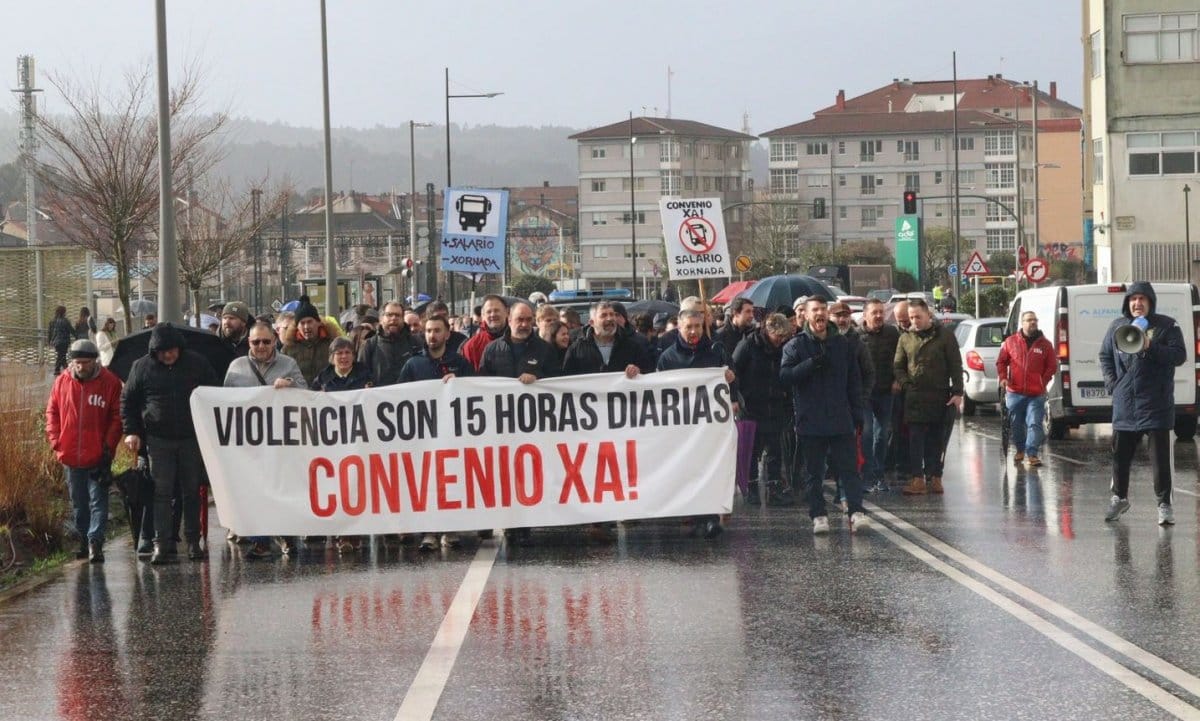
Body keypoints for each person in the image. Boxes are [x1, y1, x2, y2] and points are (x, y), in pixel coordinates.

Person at [120, 323, 218, 564]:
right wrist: (131, 431)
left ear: (179, 348)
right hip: (157, 439)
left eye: (172, 350)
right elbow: (128, 401)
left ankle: (193, 541)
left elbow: (214, 391)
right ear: (155, 351)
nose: (168, 355)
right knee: (160, 492)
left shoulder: (196, 363)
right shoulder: (141, 367)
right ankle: (161, 544)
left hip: (191, 437)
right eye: (163, 351)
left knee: (191, 491)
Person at [1099, 281, 1186, 525]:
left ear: (1150, 302)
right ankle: (1119, 498)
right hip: (1125, 404)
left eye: (1142, 299)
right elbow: (1105, 355)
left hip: (1156, 404)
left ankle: (1164, 505)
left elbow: (1179, 355)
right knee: (1119, 457)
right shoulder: (1117, 326)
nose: (1137, 303)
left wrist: (1150, 346)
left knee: (1159, 461)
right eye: (1133, 299)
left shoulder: (1167, 326)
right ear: (1128, 303)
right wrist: (1112, 385)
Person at [780, 297, 868, 534]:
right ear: (806, 315)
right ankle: (818, 515)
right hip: (811, 420)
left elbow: (854, 381)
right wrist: (810, 364)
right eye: (815, 310)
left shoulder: (842, 344)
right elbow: (786, 377)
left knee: (849, 469)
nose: (820, 314)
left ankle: (856, 512)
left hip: (841, 418)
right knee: (814, 473)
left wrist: (857, 412)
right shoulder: (795, 346)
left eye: (823, 310)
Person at [223, 321, 308, 558]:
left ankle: (286, 535)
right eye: (255, 342)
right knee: (254, 488)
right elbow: (224, 404)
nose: (261, 346)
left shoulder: (288, 364)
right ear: (248, 342)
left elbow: (307, 394)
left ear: (275, 341)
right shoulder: (237, 367)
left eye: (266, 341)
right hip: (249, 443)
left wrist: (290, 385)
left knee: (281, 487)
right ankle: (260, 539)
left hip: (280, 441)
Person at [657, 308, 735, 539]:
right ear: (679, 328)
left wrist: (730, 379)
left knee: (710, 468)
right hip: (681, 425)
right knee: (689, 470)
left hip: (710, 424)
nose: (693, 331)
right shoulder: (668, 358)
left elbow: (730, 376)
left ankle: (711, 518)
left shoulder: (715, 350)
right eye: (688, 327)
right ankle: (695, 514)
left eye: (698, 327)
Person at [399, 316, 475, 550]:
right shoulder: (413, 364)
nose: (432, 335)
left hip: (452, 433)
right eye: (428, 331)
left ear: (447, 334)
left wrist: (460, 382)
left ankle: (450, 529)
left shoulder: (460, 363)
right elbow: (398, 396)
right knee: (427, 482)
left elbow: (476, 390)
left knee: (450, 480)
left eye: (437, 331)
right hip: (423, 435)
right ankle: (429, 531)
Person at [46, 340, 123, 562]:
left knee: (98, 500)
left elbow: (116, 417)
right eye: (77, 362)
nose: (80, 367)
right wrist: (56, 442)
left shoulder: (109, 383)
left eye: (85, 362)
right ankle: (83, 538)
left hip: (98, 454)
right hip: (70, 454)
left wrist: (108, 447)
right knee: (79, 502)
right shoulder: (62, 382)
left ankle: (95, 541)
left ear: (94, 361)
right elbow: (52, 413)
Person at [892, 299, 963, 496]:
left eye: (918, 317)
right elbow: (898, 365)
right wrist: (906, 384)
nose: (914, 321)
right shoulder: (905, 339)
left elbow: (955, 365)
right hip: (914, 397)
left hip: (940, 396)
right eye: (911, 317)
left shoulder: (945, 337)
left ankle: (935, 477)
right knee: (915, 440)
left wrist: (958, 392)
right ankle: (917, 479)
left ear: (928, 315)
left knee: (937, 439)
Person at [310, 337, 373, 554]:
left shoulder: (366, 375)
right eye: (339, 353)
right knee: (336, 486)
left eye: (347, 352)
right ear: (332, 357)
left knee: (356, 485)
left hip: (359, 440)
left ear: (354, 356)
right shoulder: (322, 379)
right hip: (332, 442)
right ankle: (340, 531)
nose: (344, 357)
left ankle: (353, 534)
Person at [731, 313, 793, 506]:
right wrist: (738, 398)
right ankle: (750, 488)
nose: (781, 341)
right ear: (768, 331)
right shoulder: (748, 346)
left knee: (775, 450)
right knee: (752, 449)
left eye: (784, 338)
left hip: (775, 405)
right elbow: (733, 372)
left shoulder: (783, 348)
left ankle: (774, 489)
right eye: (778, 337)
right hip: (751, 407)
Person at [996, 311, 1057, 467]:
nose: (1033, 322)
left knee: (1035, 423)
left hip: (1036, 394)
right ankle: (1020, 449)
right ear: (1022, 323)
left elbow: (1052, 366)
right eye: (1029, 320)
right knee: (1016, 424)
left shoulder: (1045, 345)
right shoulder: (1010, 342)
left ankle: (1032, 453)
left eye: (1035, 320)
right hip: (1015, 393)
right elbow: (1001, 362)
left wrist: (1042, 381)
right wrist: (1003, 377)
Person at [829, 301, 874, 505]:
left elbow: (868, 373)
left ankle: (853, 488)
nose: (842, 319)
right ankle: (840, 487)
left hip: (854, 404)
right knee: (832, 450)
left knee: (857, 446)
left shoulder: (857, 343)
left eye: (845, 315)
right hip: (830, 405)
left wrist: (862, 398)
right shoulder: (824, 341)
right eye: (837, 316)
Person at [859, 299, 901, 492]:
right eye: (874, 312)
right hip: (865, 394)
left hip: (886, 391)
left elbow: (900, 359)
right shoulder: (856, 336)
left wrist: (897, 379)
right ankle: (866, 475)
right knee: (866, 434)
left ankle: (878, 473)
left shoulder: (892, 333)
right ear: (865, 315)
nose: (878, 316)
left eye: (881, 312)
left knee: (882, 435)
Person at [562, 301, 643, 378]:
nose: (609, 318)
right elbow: (567, 379)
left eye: (612, 314)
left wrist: (637, 371)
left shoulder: (632, 346)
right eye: (604, 315)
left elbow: (647, 373)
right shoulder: (576, 349)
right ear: (592, 323)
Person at [358, 300, 420, 387]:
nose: (394, 318)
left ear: (403, 319)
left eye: (397, 315)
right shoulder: (369, 345)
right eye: (389, 315)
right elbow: (360, 376)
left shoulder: (416, 343)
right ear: (381, 319)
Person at [282, 297, 333, 385]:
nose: (306, 327)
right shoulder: (288, 348)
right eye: (302, 323)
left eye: (310, 322)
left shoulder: (331, 344)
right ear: (297, 326)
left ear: (318, 322)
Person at [461, 295, 510, 371]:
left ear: (507, 312)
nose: (493, 315)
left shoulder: (520, 340)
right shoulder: (472, 346)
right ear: (483, 316)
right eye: (489, 312)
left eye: (497, 310)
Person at [49, 305, 74, 374]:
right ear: (63, 312)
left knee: (61, 355)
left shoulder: (52, 321)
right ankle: (59, 369)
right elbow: (71, 330)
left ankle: (62, 369)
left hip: (56, 342)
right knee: (62, 355)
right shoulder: (65, 321)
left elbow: (50, 332)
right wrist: (77, 336)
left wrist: (49, 341)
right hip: (64, 341)